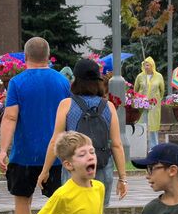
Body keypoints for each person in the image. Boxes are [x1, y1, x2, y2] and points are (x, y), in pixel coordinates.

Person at [0, 37, 71, 214]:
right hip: (57, 155)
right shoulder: (62, 81)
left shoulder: (17, 83)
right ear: (48, 56)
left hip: (24, 154)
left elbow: (10, 118)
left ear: (25, 57)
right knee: (57, 205)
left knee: (22, 202)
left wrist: (2, 150)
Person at [36, 57, 128, 204]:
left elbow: (55, 141)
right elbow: (116, 144)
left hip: (74, 168)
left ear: (76, 80)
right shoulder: (108, 106)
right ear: (99, 81)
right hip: (102, 166)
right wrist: (123, 178)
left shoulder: (66, 105)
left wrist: (45, 170)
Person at [135, 57, 165, 149]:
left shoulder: (159, 76)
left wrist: (156, 99)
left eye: (148, 65)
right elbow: (135, 89)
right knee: (141, 125)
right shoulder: (140, 76)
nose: (146, 67)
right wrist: (139, 98)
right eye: (144, 65)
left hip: (153, 105)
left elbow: (162, 90)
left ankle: (154, 147)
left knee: (153, 126)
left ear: (152, 65)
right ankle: (139, 147)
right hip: (141, 104)